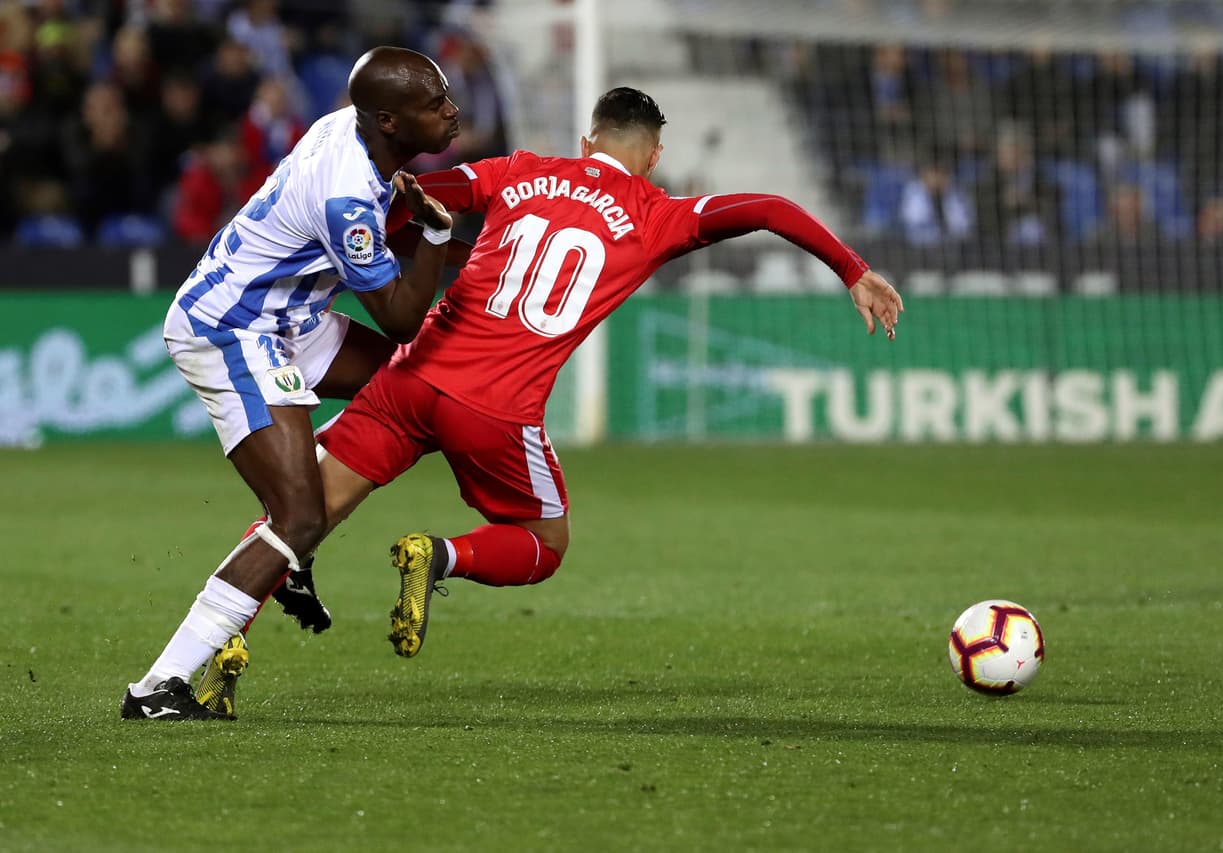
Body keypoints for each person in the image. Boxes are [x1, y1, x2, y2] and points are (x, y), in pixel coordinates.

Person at [201, 86, 903, 717]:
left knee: (300, 514)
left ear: (587, 142)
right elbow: (769, 209)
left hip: (412, 379)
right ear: (653, 157)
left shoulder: (519, 169)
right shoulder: (658, 215)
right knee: (544, 543)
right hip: (496, 410)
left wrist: (435, 249)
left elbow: (407, 198)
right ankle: (439, 554)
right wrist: (853, 270)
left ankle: (216, 654)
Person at [120, 45, 463, 722]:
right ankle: (157, 686)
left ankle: (294, 531)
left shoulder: (352, 130)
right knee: (300, 515)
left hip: (290, 319)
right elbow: (399, 319)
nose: (452, 111)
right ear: (389, 121)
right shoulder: (346, 196)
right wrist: (435, 235)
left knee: (419, 393)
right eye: (435, 104)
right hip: (232, 328)